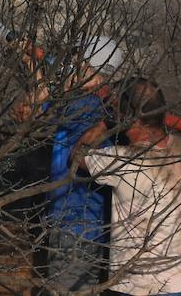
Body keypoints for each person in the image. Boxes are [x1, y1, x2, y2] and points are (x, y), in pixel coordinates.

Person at [77, 77, 181, 296]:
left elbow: (76, 159)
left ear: (131, 118)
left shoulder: (121, 160)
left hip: (143, 286)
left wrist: (104, 126)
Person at [14, 37, 124, 294]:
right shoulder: (107, 104)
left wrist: (40, 78)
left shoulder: (85, 103)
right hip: (91, 225)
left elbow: (26, 113)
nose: (71, 70)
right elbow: (28, 111)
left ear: (93, 71)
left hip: (76, 225)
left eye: (78, 65)